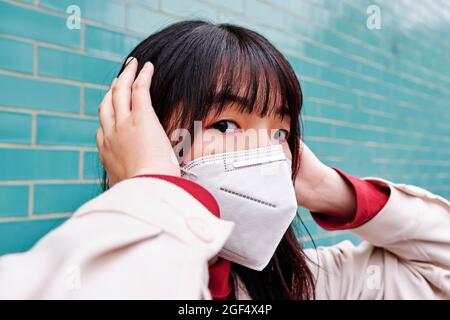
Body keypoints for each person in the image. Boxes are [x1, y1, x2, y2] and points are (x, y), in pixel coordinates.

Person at [0, 21, 448, 299]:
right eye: (226, 125)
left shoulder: (306, 285)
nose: (265, 154)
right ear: (143, 136)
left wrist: (330, 190)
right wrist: (154, 189)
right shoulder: (70, 272)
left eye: (279, 133)